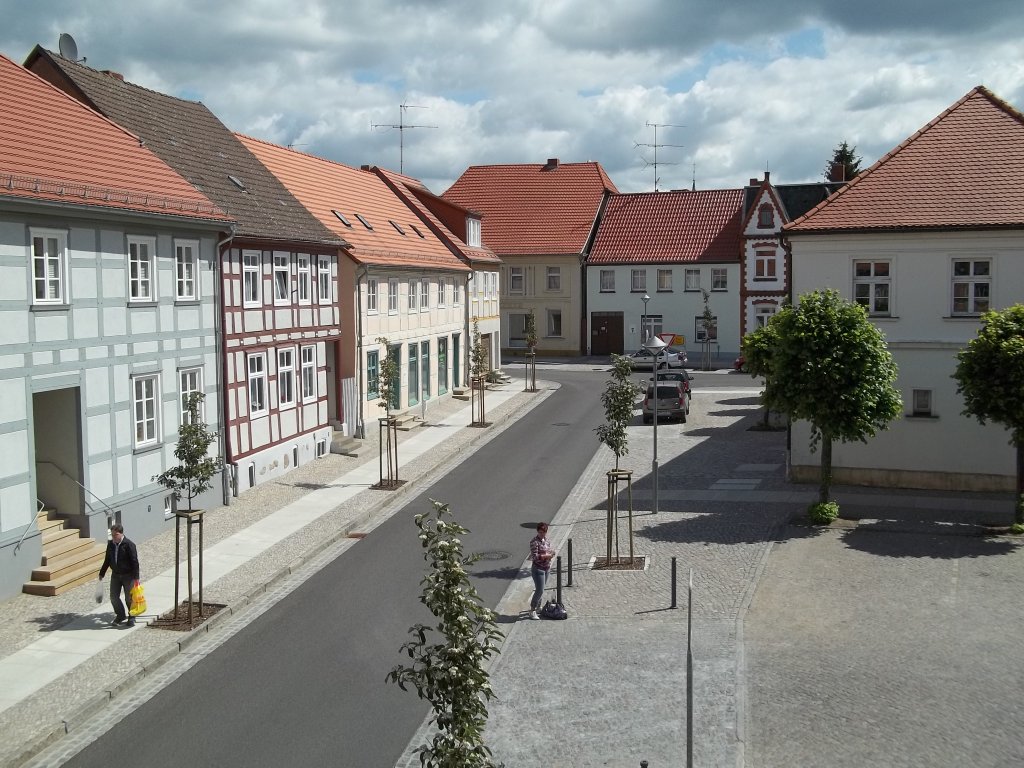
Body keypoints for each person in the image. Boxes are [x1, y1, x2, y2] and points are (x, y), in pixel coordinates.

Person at [98, 523, 140, 627]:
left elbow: (135, 562)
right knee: (113, 597)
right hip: (116, 575)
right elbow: (107, 559)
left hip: (128, 576)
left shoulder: (129, 545)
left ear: (121, 534)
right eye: (112, 535)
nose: (113, 537)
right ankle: (120, 615)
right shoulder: (111, 544)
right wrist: (101, 573)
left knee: (129, 598)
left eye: (115, 535)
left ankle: (132, 616)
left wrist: (136, 578)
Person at [528, 522, 554, 620]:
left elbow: (549, 550)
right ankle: (532, 610)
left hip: (546, 568)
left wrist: (551, 553)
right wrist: (546, 556)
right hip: (538, 569)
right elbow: (534, 557)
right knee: (539, 590)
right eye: (540, 532)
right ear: (537, 531)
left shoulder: (546, 541)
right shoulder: (534, 542)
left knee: (541, 589)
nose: (542, 534)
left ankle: (538, 607)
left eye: (544, 532)